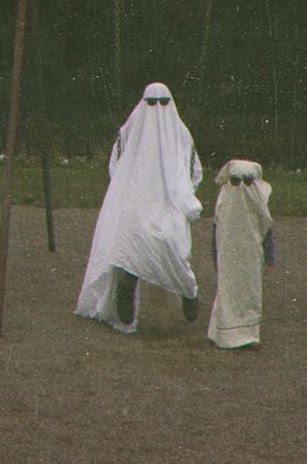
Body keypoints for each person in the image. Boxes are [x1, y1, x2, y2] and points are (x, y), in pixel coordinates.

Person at [75, 82, 203, 333]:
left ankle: (188, 292)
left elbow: (191, 171)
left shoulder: (180, 135)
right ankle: (127, 294)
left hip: (168, 203)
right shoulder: (131, 132)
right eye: (152, 103)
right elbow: (118, 167)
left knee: (173, 246)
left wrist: (180, 194)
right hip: (136, 201)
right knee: (131, 245)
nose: (157, 110)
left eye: (163, 103)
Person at [207, 160, 274, 349]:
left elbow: (267, 230)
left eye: (248, 181)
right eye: (236, 181)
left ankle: (249, 334)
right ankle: (221, 332)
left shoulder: (258, 206)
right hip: (228, 257)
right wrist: (216, 257)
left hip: (251, 258)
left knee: (250, 293)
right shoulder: (223, 205)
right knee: (226, 292)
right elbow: (215, 232)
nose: (242, 187)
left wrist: (269, 257)